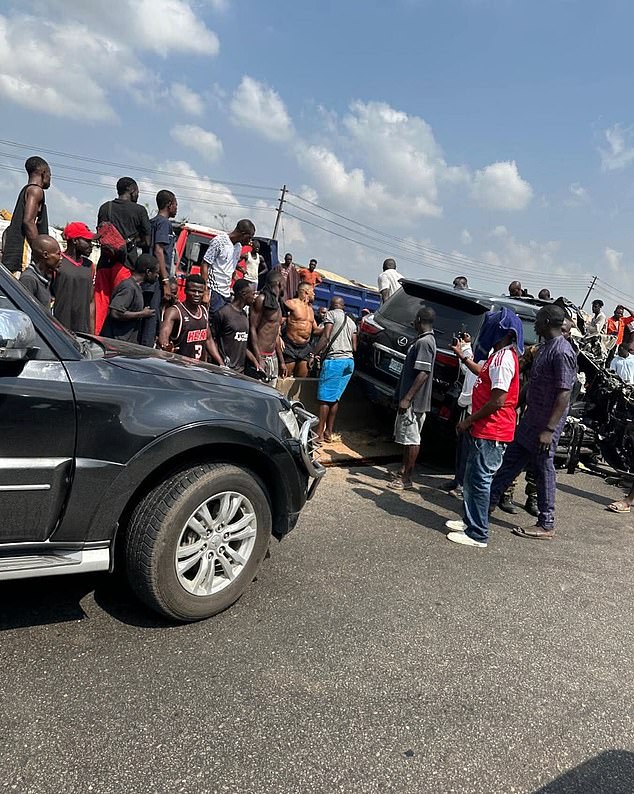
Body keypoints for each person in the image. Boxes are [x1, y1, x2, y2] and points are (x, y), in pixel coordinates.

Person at [488, 304, 577, 541]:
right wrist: (516, 403)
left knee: (543, 471)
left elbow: (564, 393)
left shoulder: (562, 352)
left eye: (538, 320)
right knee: (510, 462)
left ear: (547, 321)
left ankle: (546, 524)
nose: (535, 324)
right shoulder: (543, 348)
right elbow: (535, 383)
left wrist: (549, 429)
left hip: (546, 426)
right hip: (530, 421)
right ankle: (487, 503)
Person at [445, 308, 524, 548]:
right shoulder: (498, 355)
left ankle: (477, 534)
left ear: (502, 331)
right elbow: (484, 374)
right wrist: (464, 357)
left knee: (480, 481)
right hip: (485, 428)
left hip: (493, 430)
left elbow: (498, 400)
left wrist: (468, 420)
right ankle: (470, 522)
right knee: (472, 478)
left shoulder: (503, 359)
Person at [388, 306, 437, 491]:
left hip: (415, 402)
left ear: (418, 320)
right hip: (411, 399)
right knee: (408, 439)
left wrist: (407, 398)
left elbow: (423, 372)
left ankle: (406, 479)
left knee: (412, 439)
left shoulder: (425, 343)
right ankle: (403, 471)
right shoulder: (424, 340)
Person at [95, 177, 151, 334]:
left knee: (101, 306)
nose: (138, 195)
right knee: (121, 306)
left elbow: (101, 234)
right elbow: (147, 241)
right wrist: (132, 240)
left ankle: (97, 341)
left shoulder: (105, 207)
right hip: (125, 265)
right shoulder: (139, 210)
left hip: (104, 263)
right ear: (132, 190)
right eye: (138, 192)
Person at [314, 297, 358, 443]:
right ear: (343, 306)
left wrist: (314, 353)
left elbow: (326, 336)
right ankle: (329, 432)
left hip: (335, 361)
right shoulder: (351, 322)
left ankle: (319, 434)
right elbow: (355, 347)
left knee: (324, 399)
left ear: (332, 305)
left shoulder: (331, 315)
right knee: (334, 398)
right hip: (349, 362)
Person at [2, 156, 51, 274]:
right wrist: (41, 251)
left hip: (15, 257)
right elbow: (28, 221)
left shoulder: (27, 190)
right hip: (24, 257)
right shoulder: (36, 191)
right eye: (50, 175)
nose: (50, 179)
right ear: (44, 173)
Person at [158, 274, 223, 364]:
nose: (196, 294)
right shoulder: (175, 312)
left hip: (199, 368)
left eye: (200, 292)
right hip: (180, 367)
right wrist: (166, 346)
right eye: (193, 291)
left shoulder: (204, 310)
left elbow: (208, 339)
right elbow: (164, 332)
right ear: (185, 290)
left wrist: (221, 363)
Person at [201, 219, 255, 316]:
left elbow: (230, 268)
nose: (249, 241)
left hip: (226, 294)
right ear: (244, 234)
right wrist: (205, 292)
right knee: (212, 322)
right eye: (249, 238)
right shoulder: (219, 241)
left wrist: (241, 282)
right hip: (214, 291)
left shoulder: (238, 247)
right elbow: (205, 264)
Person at [101, 254, 158, 343]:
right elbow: (115, 313)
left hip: (124, 343)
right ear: (148, 272)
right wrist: (142, 314)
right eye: (156, 272)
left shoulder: (137, 287)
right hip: (115, 343)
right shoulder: (129, 287)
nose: (157, 276)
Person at [53, 222, 96, 334]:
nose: (91, 245)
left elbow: (91, 301)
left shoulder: (89, 266)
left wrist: (92, 333)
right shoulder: (58, 262)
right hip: (59, 329)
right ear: (75, 241)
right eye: (87, 241)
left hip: (82, 332)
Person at [249, 270, 286, 386]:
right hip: (260, 356)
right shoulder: (261, 299)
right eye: (284, 283)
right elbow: (252, 328)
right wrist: (258, 358)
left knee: (270, 395)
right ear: (279, 283)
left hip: (272, 357)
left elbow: (274, 334)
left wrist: (281, 361)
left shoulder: (277, 303)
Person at [212, 279, 257, 373]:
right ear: (243, 294)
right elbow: (213, 340)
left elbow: (242, 344)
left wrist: (255, 361)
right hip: (224, 371)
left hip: (240, 372)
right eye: (252, 294)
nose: (254, 297)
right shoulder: (223, 313)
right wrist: (221, 363)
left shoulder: (244, 315)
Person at [283, 282, 321, 377]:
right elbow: (277, 322)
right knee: (284, 379)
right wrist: (278, 337)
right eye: (313, 291)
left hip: (304, 347)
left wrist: (331, 327)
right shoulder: (291, 303)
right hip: (290, 345)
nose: (314, 294)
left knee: (301, 379)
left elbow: (315, 330)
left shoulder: (310, 309)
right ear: (306, 292)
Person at [18, 234, 61, 309]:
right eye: (58, 254)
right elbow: (25, 309)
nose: (61, 258)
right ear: (45, 255)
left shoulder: (45, 277)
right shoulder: (29, 279)